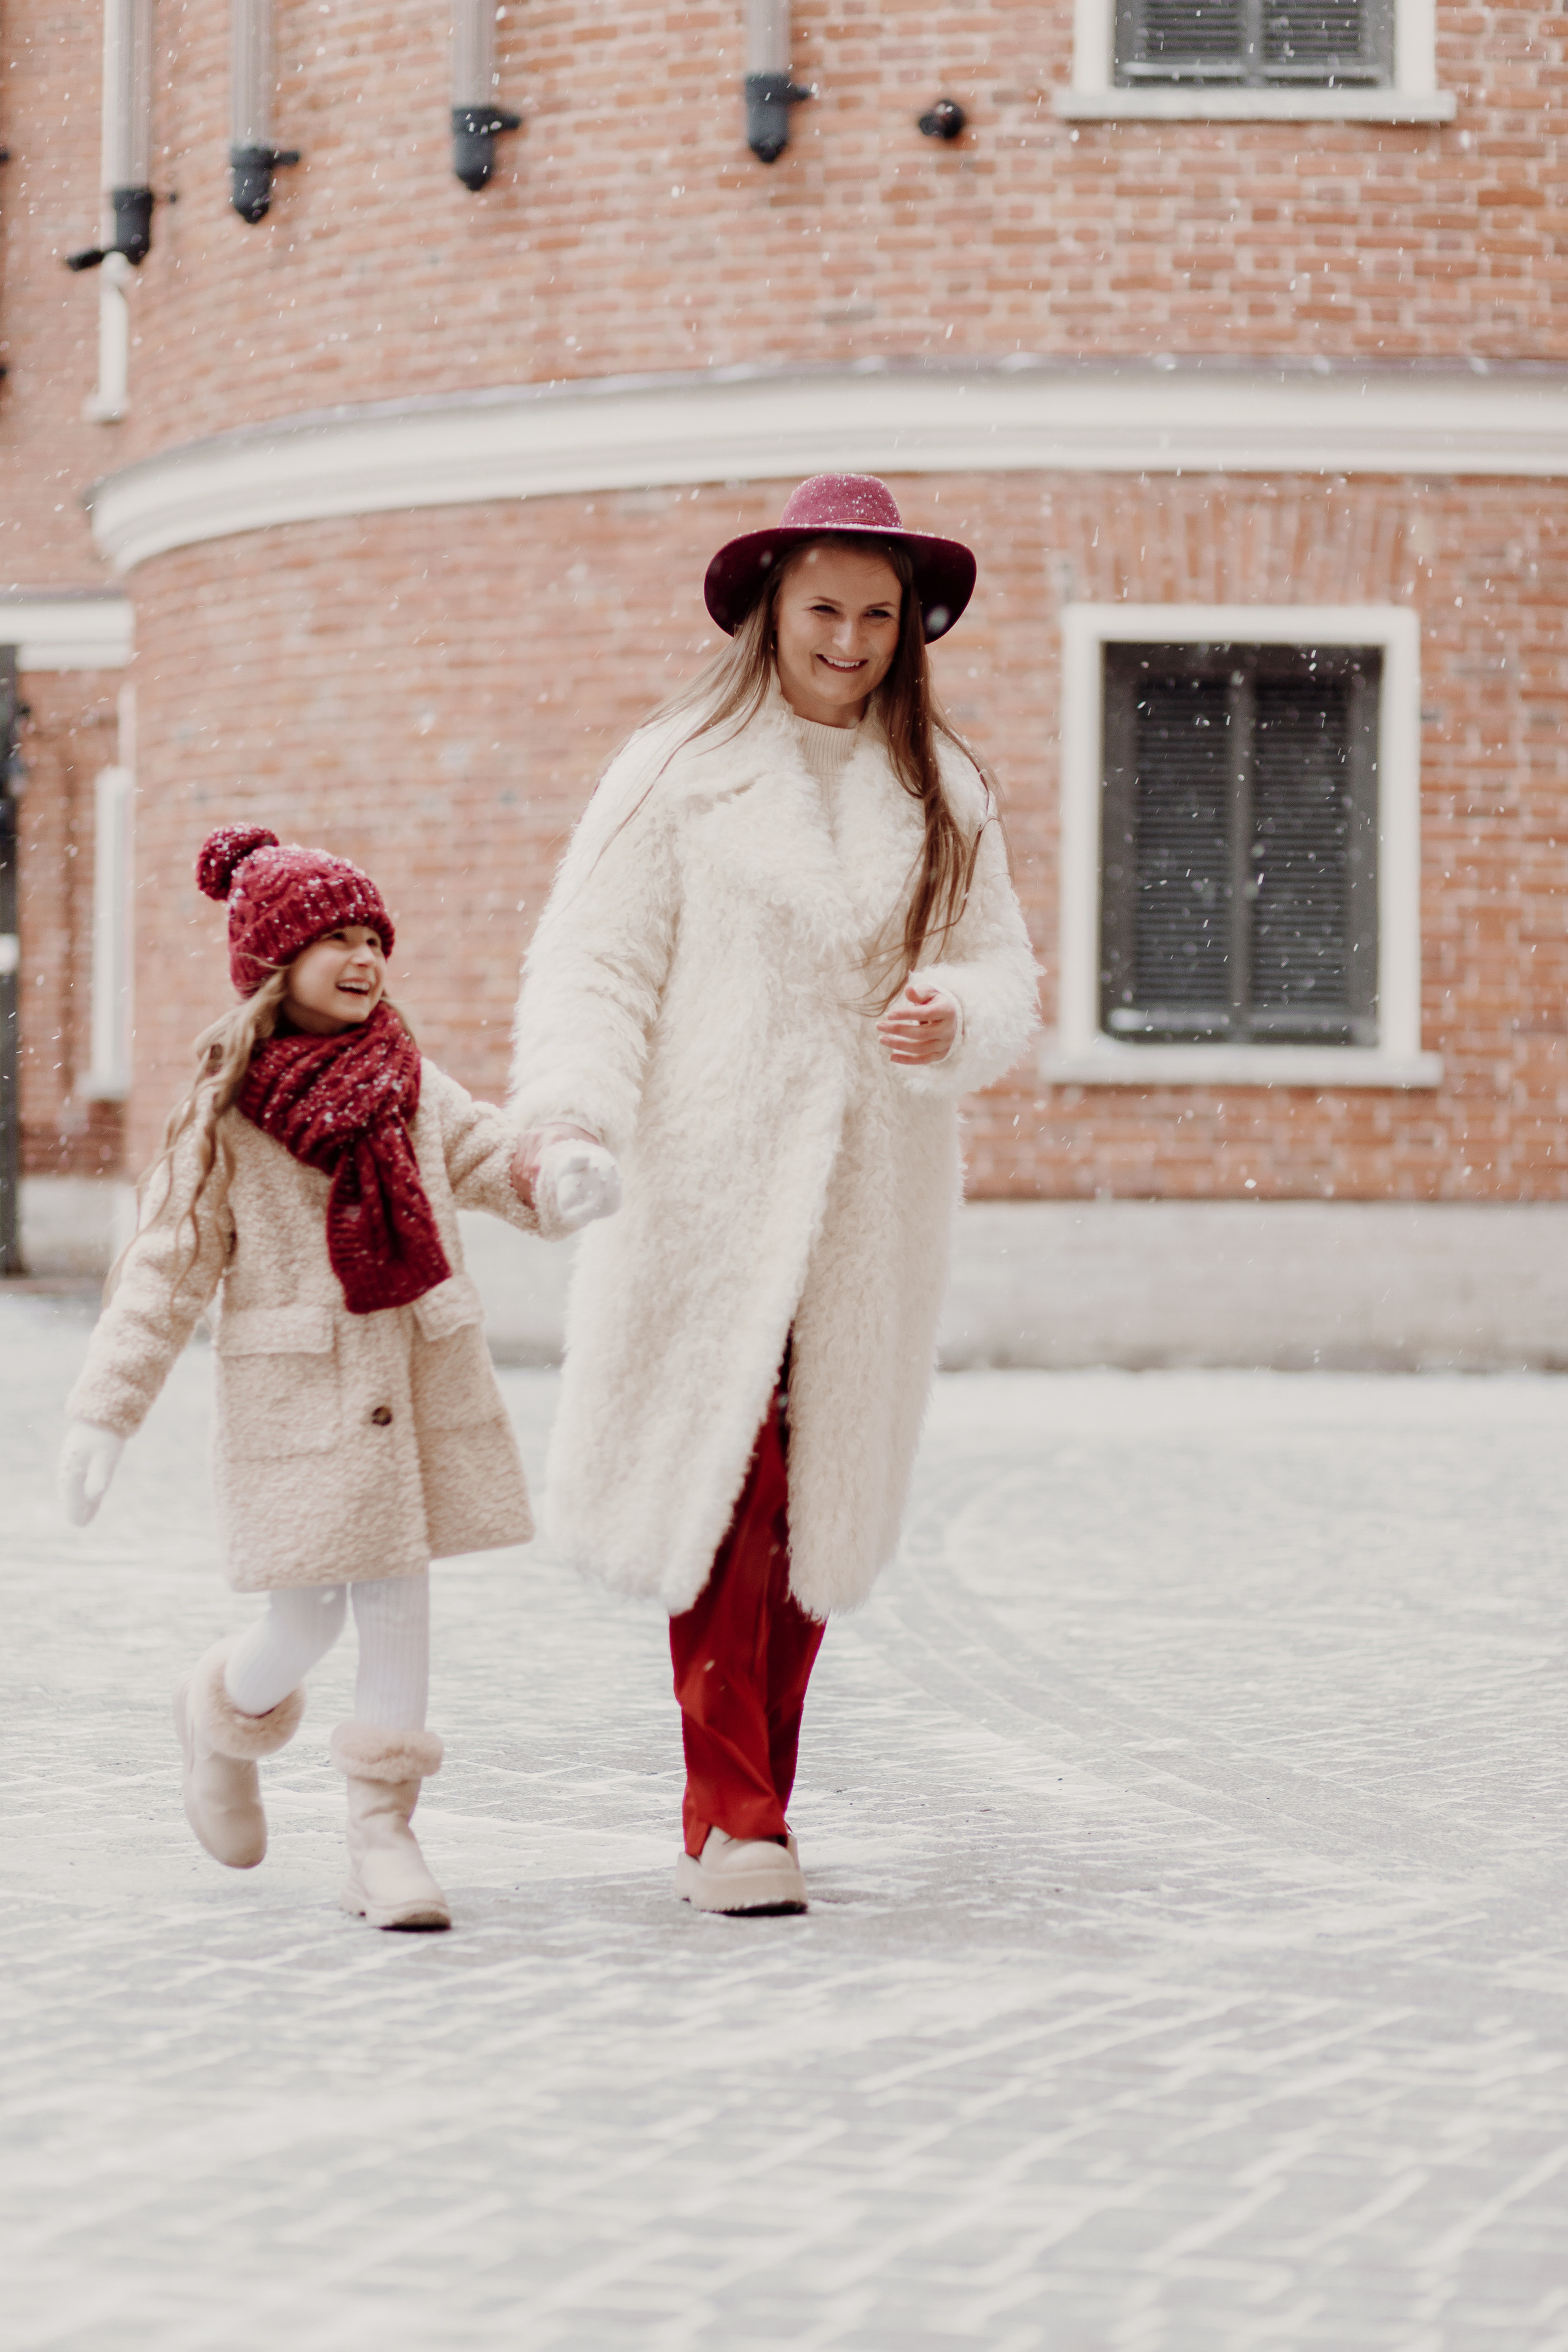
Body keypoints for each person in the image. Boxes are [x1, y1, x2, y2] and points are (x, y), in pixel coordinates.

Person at [509, 473, 1040, 1915]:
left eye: (875, 616)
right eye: (823, 609)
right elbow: (594, 962)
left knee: (816, 1503)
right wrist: (570, 1114)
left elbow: (1000, 967)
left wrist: (955, 1013)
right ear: (768, 608)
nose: (848, 642)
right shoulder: (676, 769)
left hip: (870, 1197)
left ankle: (757, 1804)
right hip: (710, 1176)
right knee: (724, 1487)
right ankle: (731, 1810)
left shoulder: (944, 789)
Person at [58, 824, 543, 1933]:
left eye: (375, 937)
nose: (364, 956)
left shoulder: (413, 1084)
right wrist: (105, 1412)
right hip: (300, 1404)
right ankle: (215, 1713)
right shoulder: (225, 1114)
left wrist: (560, 1173)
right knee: (305, 1627)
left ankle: (382, 1836)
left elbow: (489, 1154)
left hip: (410, 1387)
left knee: (399, 1598)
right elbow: (165, 1269)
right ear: (275, 961)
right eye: (336, 938)